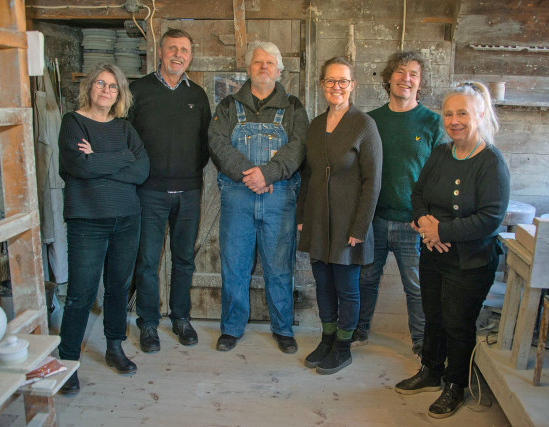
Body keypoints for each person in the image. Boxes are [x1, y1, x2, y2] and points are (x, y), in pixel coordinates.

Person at [394, 81, 510, 418]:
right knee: (433, 315)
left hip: (470, 261)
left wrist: (440, 229)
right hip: (433, 252)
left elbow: (489, 219)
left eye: (462, 113)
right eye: (448, 113)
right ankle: (431, 370)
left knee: (458, 324)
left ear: (480, 114)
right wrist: (424, 224)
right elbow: (418, 194)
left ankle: (455, 384)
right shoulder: (442, 153)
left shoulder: (491, 162)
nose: (453, 120)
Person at [208, 41, 309, 353]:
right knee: (234, 265)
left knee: (280, 266)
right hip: (238, 197)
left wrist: (270, 173)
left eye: (270, 63)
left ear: (279, 71)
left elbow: (300, 145)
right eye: (258, 62)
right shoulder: (227, 107)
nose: (264, 67)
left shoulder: (293, 107)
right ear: (249, 69)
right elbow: (217, 142)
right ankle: (232, 327)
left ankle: (283, 328)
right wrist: (250, 173)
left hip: (279, 197)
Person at [58, 63, 150, 395]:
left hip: (127, 218)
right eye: (101, 83)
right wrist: (119, 159)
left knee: (118, 288)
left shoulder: (125, 129)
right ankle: (67, 362)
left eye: (113, 87)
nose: (106, 90)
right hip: (87, 222)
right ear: (89, 87)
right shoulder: (73, 122)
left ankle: (114, 347)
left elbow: (142, 170)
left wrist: (99, 159)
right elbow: (76, 166)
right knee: (80, 294)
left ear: (119, 95)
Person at [355, 51, 446, 356]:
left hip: (414, 223)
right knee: (366, 280)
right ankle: (359, 331)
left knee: (416, 288)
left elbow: (442, 176)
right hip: (375, 220)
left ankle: (421, 343)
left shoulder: (433, 123)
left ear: (420, 83)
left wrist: (429, 218)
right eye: (400, 71)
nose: (406, 78)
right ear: (389, 77)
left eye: (413, 74)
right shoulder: (371, 121)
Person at [297, 57, 382, 375]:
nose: (336, 87)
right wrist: (302, 215)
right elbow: (308, 174)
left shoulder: (364, 125)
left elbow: (373, 181)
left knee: (346, 287)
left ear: (352, 86)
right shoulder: (316, 125)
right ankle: (327, 338)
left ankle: (344, 347)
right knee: (322, 285)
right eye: (331, 81)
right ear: (322, 85)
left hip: (349, 223)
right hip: (318, 219)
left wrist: (360, 227)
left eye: (342, 81)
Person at [129, 28, 211, 351]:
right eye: (172, 48)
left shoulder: (198, 96)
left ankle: (181, 318)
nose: (178, 54)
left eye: (184, 50)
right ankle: (149, 323)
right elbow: (127, 139)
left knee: (184, 259)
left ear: (190, 56)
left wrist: (187, 171)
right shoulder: (139, 91)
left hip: (189, 191)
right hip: (149, 193)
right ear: (160, 53)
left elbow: (205, 144)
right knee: (148, 260)